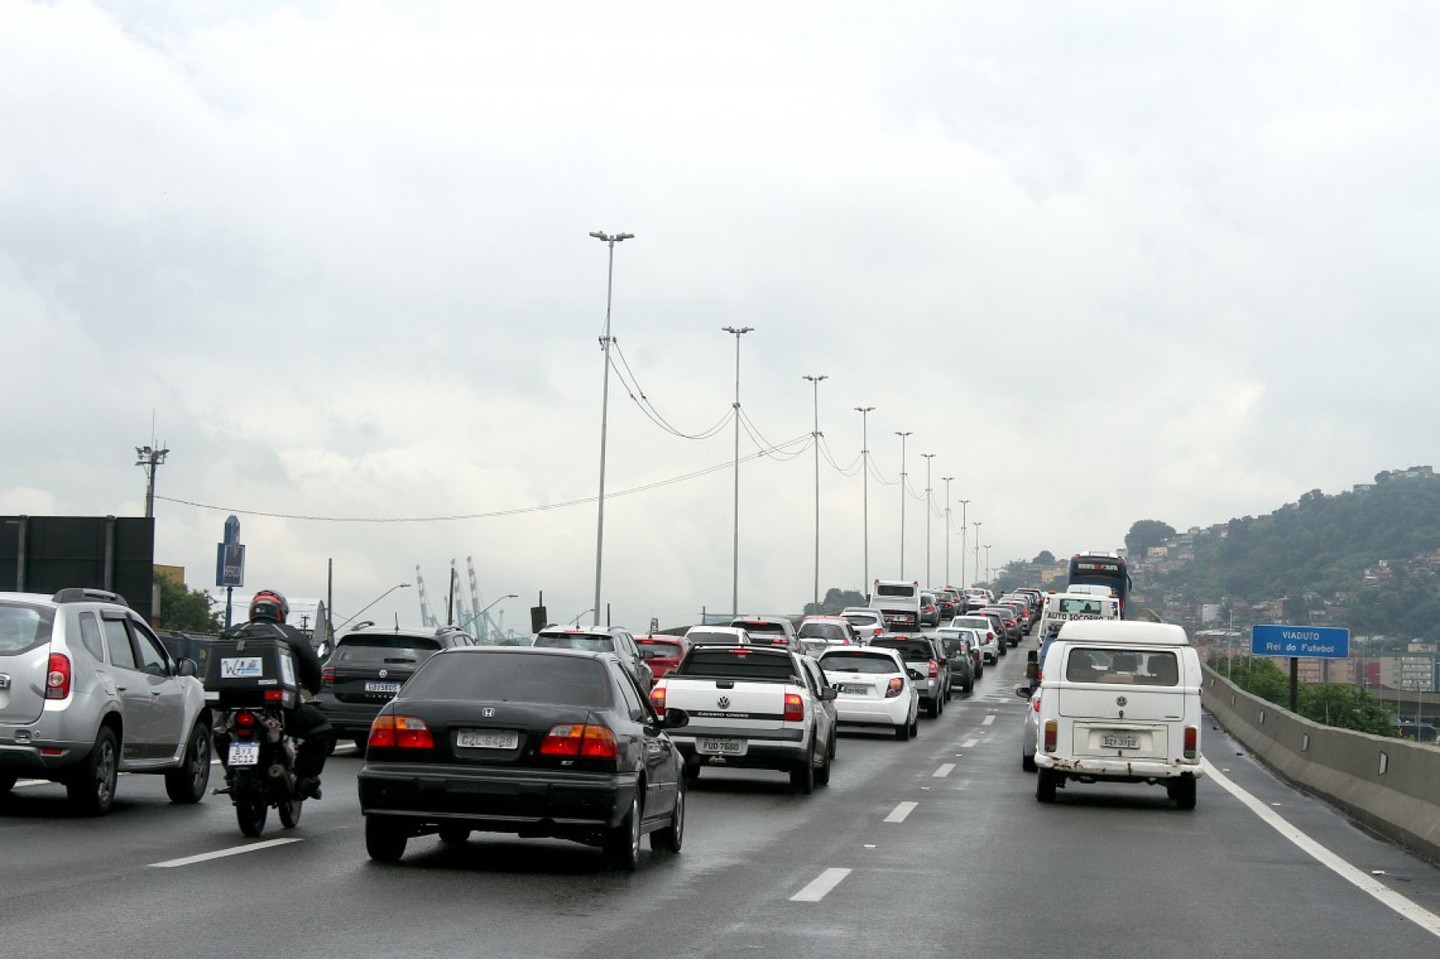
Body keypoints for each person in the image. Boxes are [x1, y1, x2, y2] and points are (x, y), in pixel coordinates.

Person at [217, 589, 333, 800]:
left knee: (219, 733)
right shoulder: (290, 634)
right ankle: (306, 778)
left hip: (234, 706)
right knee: (321, 728)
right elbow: (313, 672)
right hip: (278, 709)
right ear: (280, 613)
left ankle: (231, 774)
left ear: (252, 612)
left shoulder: (232, 633)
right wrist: (314, 687)